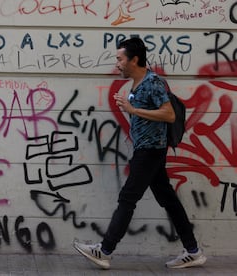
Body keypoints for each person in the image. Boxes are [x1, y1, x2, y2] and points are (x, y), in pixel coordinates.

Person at [73, 37, 207, 270]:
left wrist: (133, 109)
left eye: (120, 59)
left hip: (150, 152)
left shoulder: (152, 82)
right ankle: (193, 251)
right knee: (169, 201)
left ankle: (104, 251)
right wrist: (129, 108)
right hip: (148, 150)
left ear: (134, 59)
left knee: (128, 199)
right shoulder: (138, 83)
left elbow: (169, 115)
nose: (117, 64)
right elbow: (147, 114)